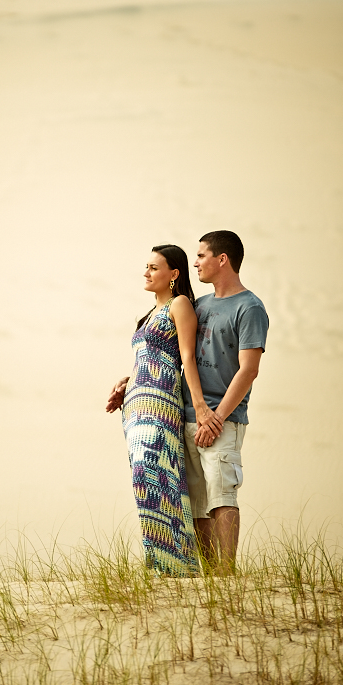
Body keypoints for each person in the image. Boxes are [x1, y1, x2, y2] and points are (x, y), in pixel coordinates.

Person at [106, 245, 223, 576]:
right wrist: (125, 383)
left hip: (162, 403)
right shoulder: (146, 316)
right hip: (136, 406)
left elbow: (186, 358)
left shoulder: (180, 304)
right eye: (146, 267)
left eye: (153, 267)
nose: (146, 272)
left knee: (162, 475)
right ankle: (159, 566)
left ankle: (180, 567)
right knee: (142, 478)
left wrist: (200, 406)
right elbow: (145, 358)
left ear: (174, 274)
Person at [182, 230, 269, 574]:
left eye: (201, 255)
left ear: (222, 259)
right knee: (198, 503)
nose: (195, 262)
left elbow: (248, 370)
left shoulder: (250, 307)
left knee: (222, 495)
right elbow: (178, 356)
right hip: (188, 415)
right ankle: (210, 575)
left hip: (224, 419)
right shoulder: (199, 305)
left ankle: (226, 574)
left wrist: (215, 417)